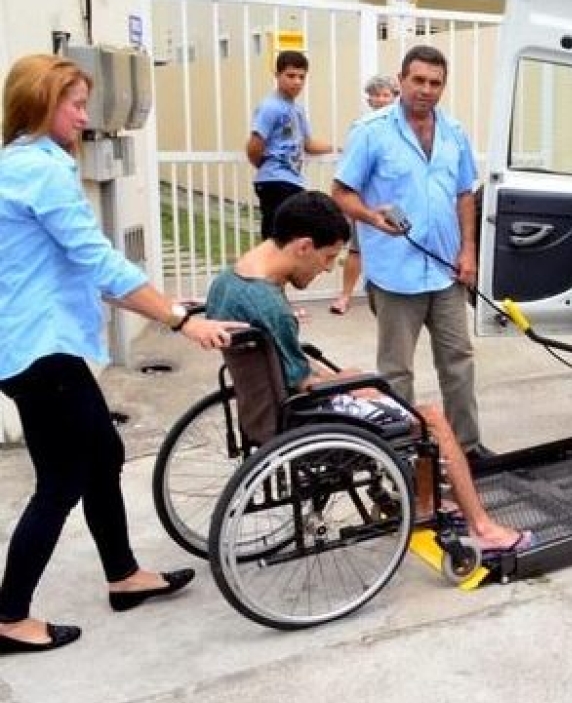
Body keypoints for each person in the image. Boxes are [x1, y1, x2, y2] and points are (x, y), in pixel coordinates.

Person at [0, 54, 243, 655]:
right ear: (39, 103)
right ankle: (8, 617)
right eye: (75, 104)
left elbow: (84, 271)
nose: (85, 117)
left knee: (102, 453)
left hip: (31, 346)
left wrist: (164, 303)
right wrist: (180, 319)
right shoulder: (42, 171)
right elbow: (100, 262)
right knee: (59, 482)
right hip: (41, 350)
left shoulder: (17, 167)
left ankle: (124, 575)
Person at [205, 190, 530, 553]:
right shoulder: (270, 305)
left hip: (260, 411)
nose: (328, 269)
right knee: (430, 420)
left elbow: (280, 362)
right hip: (297, 420)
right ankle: (482, 528)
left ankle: (423, 504)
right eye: (328, 258)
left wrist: (346, 379)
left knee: (362, 380)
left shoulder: (229, 282)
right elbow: (302, 381)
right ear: (303, 246)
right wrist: (349, 385)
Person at [332, 45, 486, 457]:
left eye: (435, 83)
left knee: (458, 362)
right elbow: (341, 193)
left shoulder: (454, 132)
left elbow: (464, 195)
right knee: (397, 371)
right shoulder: (371, 131)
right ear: (401, 80)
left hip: (446, 271)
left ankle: (467, 449)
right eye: (418, 80)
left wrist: (468, 251)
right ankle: (403, 453)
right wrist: (369, 217)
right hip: (395, 273)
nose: (426, 90)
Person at [330, 74, 398, 316]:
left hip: (394, 199)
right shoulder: (362, 127)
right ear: (369, 99)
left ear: (394, 97)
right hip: (366, 200)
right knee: (357, 249)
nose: (380, 99)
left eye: (385, 94)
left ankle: (390, 296)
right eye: (376, 94)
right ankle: (345, 295)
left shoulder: (403, 127)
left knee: (397, 245)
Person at [246, 50, 332, 241]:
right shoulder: (270, 107)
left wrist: (337, 148)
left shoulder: (297, 110)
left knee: (294, 235)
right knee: (276, 236)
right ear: (277, 75)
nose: (297, 82)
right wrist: (267, 166)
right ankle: (268, 271)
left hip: (293, 181)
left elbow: (308, 144)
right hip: (274, 182)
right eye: (291, 76)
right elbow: (254, 145)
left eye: (301, 77)